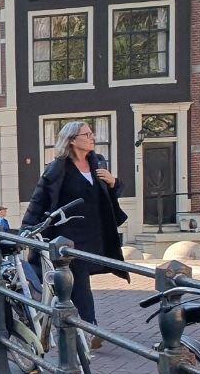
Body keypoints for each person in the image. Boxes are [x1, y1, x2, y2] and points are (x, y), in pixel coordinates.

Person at [21, 120, 127, 336]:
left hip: (96, 234)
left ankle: (67, 320)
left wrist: (114, 182)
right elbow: (38, 201)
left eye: (91, 134)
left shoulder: (98, 163)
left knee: (73, 283)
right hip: (68, 238)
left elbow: (108, 195)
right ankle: (90, 328)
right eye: (86, 135)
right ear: (72, 141)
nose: (92, 138)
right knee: (79, 282)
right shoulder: (57, 169)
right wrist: (26, 230)